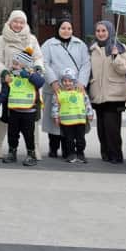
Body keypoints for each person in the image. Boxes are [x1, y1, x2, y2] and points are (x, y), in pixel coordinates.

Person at [0, 10, 42, 159]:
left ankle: (35, 148)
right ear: (9, 22)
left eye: (21, 22)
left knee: (33, 116)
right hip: (10, 81)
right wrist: (4, 73)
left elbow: (38, 57)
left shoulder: (31, 39)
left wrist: (37, 69)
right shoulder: (1, 39)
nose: (18, 24)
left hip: (29, 82)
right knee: (8, 116)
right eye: (15, 21)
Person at [41, 19, 90, 158]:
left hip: (73, 89)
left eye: (69, 28)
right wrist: (53, 81)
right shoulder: (49, 44)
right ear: (58, 29)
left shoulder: (80, 44)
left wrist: (81, 82)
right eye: (63, 28)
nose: (66, 31)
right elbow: (43, 62)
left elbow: (86, 64)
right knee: (54, 119)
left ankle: (68, 149)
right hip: (54, 88)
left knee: (69, 119)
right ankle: (53, 147)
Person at [89, 20, 126, 164]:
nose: (101, 34)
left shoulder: (120, 47)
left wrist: (116, 57)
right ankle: (105, 153)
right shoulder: (92, 49)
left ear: (110, 31)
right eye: (98, 31)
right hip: (97, 93)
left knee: (112, 128)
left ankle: (116, 154)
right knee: (101, 128)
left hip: (114, 94)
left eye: (104, 31)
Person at [0, 47, 46, 166]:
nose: (14, 66)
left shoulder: (32, 73)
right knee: (12, 133)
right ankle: (12, 152)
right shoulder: (12, 75)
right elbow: (5, 90)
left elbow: (40, 82)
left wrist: (29, 76)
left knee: (29, 134)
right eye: (13, 63)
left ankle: (31, 154)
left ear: (25, 65)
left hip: (29, 112)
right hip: (14, 110)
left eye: (16, 64)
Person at [52, 67, 93, 163]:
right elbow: (55, 106)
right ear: (61, 82)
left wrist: (90, 114)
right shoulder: (58, 93)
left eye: (70, 81)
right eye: (65, 81)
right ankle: (71, 154)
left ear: (74, 81)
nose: (67, 83)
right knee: (69, 140)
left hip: (80, 121)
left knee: (80, 140)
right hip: (66, 122)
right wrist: (56, 116)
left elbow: (87, 103)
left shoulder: (80, 91)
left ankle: (80, 154)